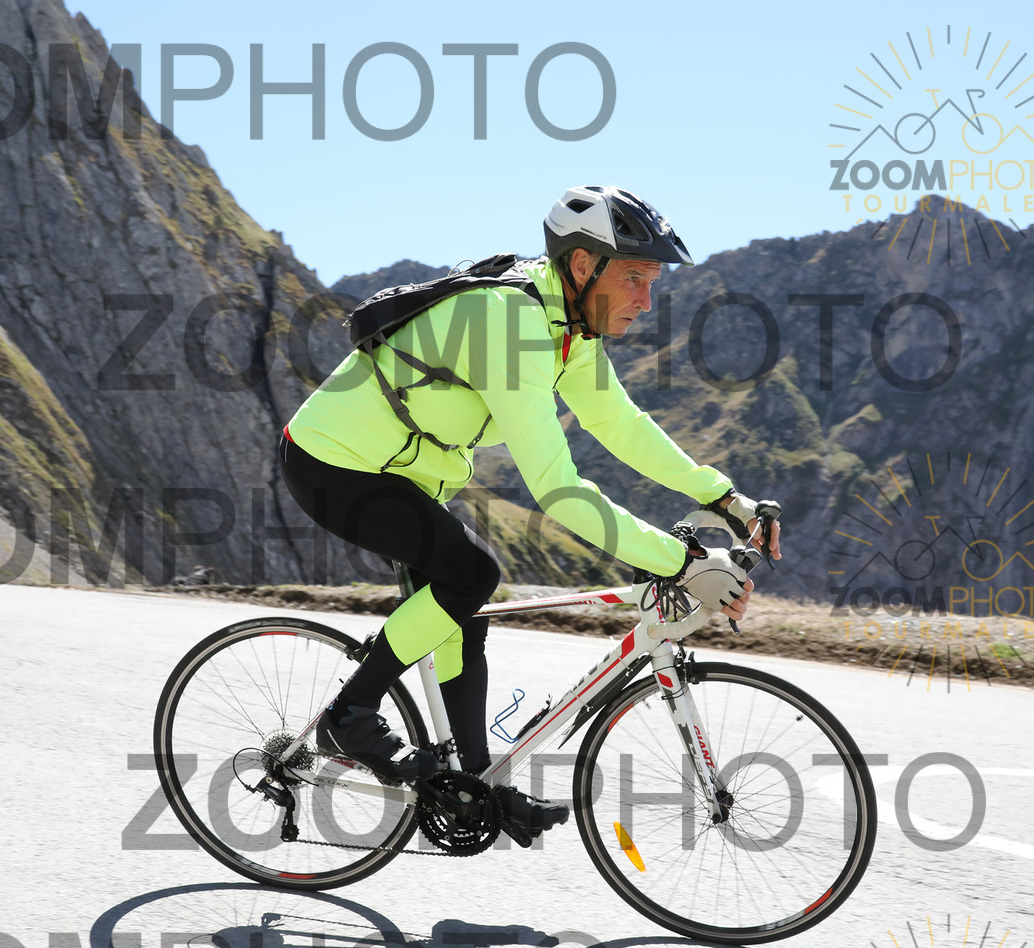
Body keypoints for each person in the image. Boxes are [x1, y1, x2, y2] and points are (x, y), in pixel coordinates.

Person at [280, 185, 781, 839]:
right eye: (634, 278)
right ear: (584, 265)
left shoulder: (567, 329)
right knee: (470, 574)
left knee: (462, 612)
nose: (645, 300)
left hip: (403, 475)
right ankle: (349, 714)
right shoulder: (510, 323)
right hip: (332, 462)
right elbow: (557, 488)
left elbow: (621, 425)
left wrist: (725, 499)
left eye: (651, 283)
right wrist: (679, 560)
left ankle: (475, 785)